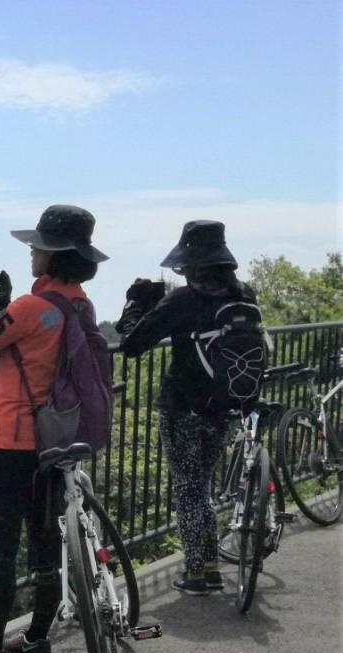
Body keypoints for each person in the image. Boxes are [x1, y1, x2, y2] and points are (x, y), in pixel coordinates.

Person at [0, 204, 108, 653]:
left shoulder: (33, 307)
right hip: (56, 443)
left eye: (37, 246)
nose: (32, 252)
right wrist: (6, 303)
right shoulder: (77, 304)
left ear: (52, 255)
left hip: (13, 443)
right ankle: (36, 641)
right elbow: (32, 343)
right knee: (45, 546)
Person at [116, 220, 257, 595]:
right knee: (202, 485)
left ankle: (198, 572)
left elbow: (131, 344)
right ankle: (207, 565)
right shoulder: (245, 295)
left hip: (182, 408)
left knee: (189, 489)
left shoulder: (182, 300)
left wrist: (136, 304)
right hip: (225, 406)